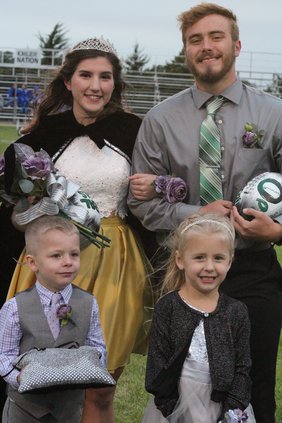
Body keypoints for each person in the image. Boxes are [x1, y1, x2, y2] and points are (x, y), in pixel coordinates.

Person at [128, 4, 282, 423]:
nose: (206, 46)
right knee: (179, 388)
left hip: (251, 269)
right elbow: (141, 200)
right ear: (185, 51)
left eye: (215, 37)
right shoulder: (160, 120)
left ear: (236, 44)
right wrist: (199, 214)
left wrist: (279, 232)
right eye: (195, 40)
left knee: (254, 388)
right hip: (184, 274)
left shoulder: (273, 114)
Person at [2, 36, 155, 423]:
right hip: (52, 263)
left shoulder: (135, 132)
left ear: (114, 85)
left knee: (100, 386)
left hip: (116, 263)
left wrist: (152, 185)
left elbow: (157, 191)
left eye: (105, 77)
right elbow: (14, 209)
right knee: (40, 386)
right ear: (68, 81)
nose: (95, 85)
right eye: (85, 75)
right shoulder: (40, 139)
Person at [142, 214, 255, 423]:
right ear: (180, 260)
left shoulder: (236, 311)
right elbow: (157, 371)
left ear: (230, 261)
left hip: (224, 410)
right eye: (199, 257)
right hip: (176, 410)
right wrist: (172, 410)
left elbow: (242, 369)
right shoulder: (168, 308)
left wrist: (230, 413)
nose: (209, 267)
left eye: (218, 258)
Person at [0, 215, 107, 423]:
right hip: (25, 410)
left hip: (69, 410)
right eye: (56, 256)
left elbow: (98, 347)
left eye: (74, 254)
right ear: (32, 262)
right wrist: (19, 378)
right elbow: (3, 354)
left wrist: (91, 366)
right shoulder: (15, 308)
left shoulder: (88, 303)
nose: (68, 262)